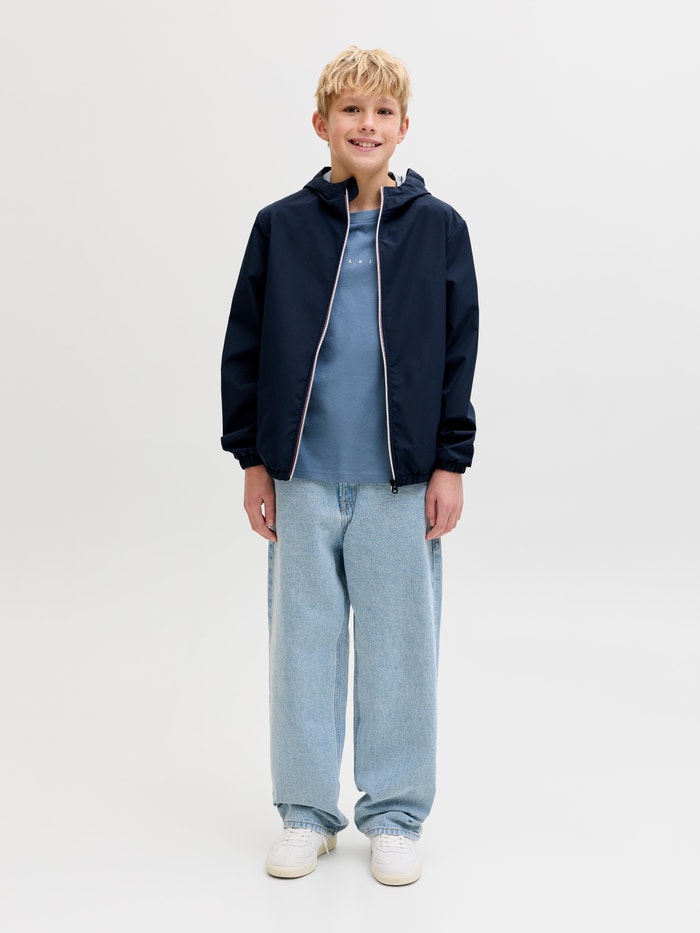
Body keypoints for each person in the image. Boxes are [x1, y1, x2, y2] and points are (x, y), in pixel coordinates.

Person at [220, 46, 479, 885]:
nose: (366, 124)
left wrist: (450, 462)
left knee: (401, 649)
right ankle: (306, 812)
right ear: (321, 122)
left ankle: (395, 814)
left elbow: (458, 352)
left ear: (404, 126)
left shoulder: (438, 229)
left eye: (382, 111)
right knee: (302, 646)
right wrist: (253, 460)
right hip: (300, 476)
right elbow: (245, 348)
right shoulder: (281, 227)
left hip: (400, 482)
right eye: (351, 110)